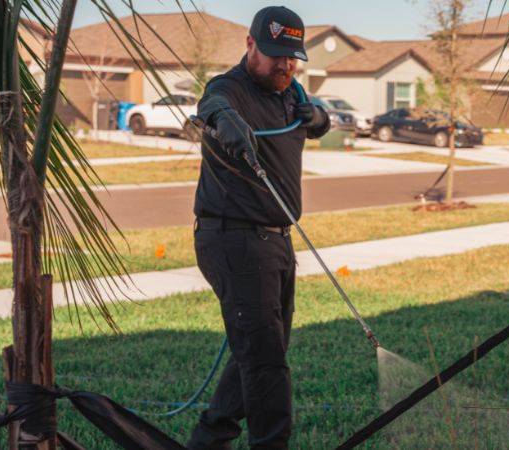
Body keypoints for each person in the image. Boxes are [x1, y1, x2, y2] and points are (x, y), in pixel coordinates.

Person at [186, 6, 329, 449]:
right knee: (265, 360)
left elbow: (319, 121)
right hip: (234, 239)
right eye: (274, 55)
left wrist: (319, 117)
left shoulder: (292, 93)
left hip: (277, 240)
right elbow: (210, 103)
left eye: (292, 57)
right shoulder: (228, 89)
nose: (285, 65)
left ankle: (209, 439)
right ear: (250, 45)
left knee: (264, 349)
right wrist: (223, 121)